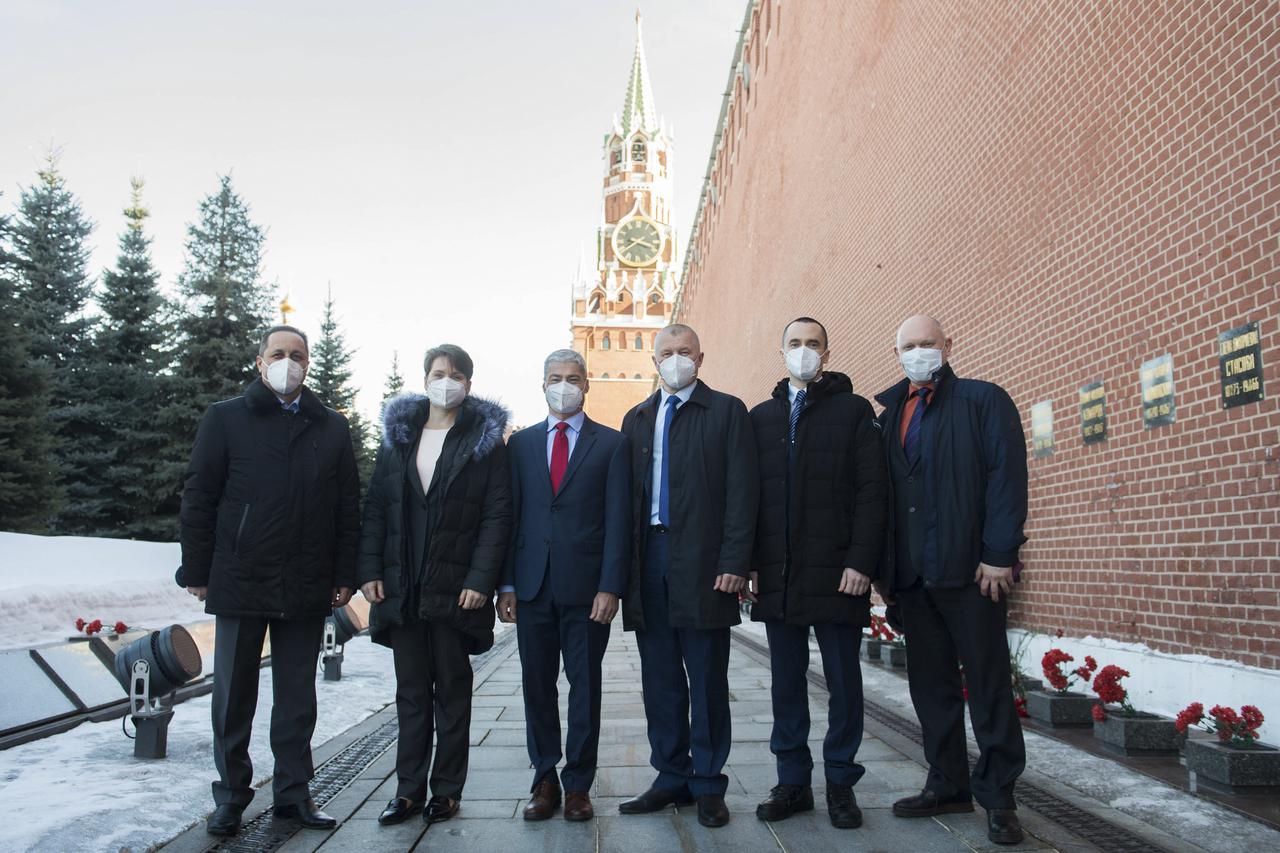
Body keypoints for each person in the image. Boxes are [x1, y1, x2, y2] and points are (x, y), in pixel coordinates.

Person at [177, 325, 361, 837]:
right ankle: (232, 797)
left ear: (308, 363)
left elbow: (348, 508)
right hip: (240, 577)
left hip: (306, 582)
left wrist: (344, 574)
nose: (288, 361)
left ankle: (293, 796)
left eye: (297, 355)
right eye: (278, 353)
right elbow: (199, 495)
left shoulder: (330, 427)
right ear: (260, 362)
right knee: (233, 697)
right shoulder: (226, 419)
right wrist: (197, 570)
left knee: (297, 699)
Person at [873, 314, 1028, 845]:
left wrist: (999, 553)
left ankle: (999, 796)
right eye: (908, 345)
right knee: (931, 687)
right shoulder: (889, 412)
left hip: (972, 572)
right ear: (897, 354)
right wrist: (884, 572)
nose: (918, 352)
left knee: (987, 684)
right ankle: (947, 783)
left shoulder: (983, 401)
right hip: (913, 579)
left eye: (927, 343)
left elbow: (1006, 479)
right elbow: (885, 498)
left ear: (948, 345)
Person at [357, 344, 512, 827]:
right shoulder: (399, 436)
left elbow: (496, 515)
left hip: (455, 585)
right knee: (410, 692)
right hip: (404, 583)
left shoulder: (485, 441)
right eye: (437, 372)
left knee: (451, 689)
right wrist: (370, 571)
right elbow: (378, 506)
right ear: (425, 378)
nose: (446, 381)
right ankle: (407, 790)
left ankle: (445, 789)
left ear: (469, 381)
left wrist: (480, 581)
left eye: (455, 374)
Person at [747, 317, 888, 829]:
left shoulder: (854, 412)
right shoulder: (760, 417)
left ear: (827, 352)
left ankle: (841, 783)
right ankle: (792, 782)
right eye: (794, 343)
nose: (803, 352)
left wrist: (860, 562)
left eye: (813, 344)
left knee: (844, 682)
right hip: (779, 576)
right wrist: (750, 564)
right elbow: (750, 499)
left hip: (837, 574)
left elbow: (873, 494)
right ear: (780, 350)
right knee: (785, 683)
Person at [617, 323, 759, 828]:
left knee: (705, 679)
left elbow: (743, 493)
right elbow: (622, 503)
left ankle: (708, 783)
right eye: (666, 353)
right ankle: (670, 776)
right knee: (660, 681)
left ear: (701, 357)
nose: (675, 360)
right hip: (649, 561)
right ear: (654, 361)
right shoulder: (636, 419)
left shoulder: (726, 412)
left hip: (704, 562)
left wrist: (734, 562)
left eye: (684, 352)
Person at [497, 349, 632, 822]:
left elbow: (620, 521)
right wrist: (507, 584)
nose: (564, 385)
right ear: (543, 384)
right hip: (531, 587)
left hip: (586, 590)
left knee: (584, 688)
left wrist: (611, 586)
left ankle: (578, 785)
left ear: (587, 384)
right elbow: (508, 517)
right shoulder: (521, 445)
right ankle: (544, 779)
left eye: (573, 378)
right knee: (537, 686)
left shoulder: (612, 445)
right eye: (556, 378)